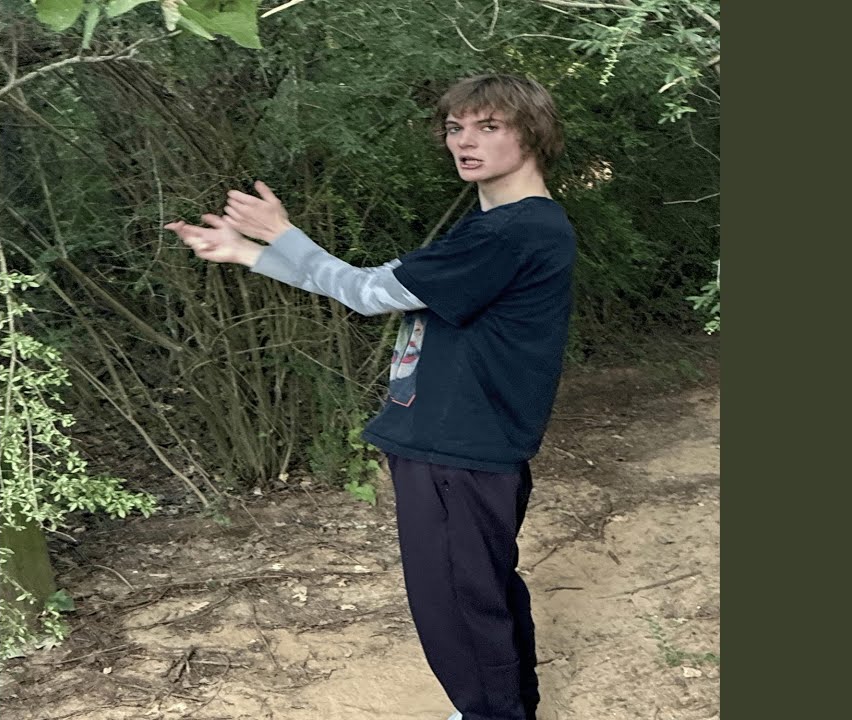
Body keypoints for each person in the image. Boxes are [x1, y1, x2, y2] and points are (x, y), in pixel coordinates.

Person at [166, 74, 576, 720]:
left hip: (457, 446)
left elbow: (364, 295)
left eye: (488, 126)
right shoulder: (493, 228)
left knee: (457, 602)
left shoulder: (513, 232)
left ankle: (492, 714)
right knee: (479, 587)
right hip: (456, 443)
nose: (464, 141)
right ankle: (504, 707)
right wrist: (246, 251)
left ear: (533, 133)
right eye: (455, 128)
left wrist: (281, 234)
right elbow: (369, 283)